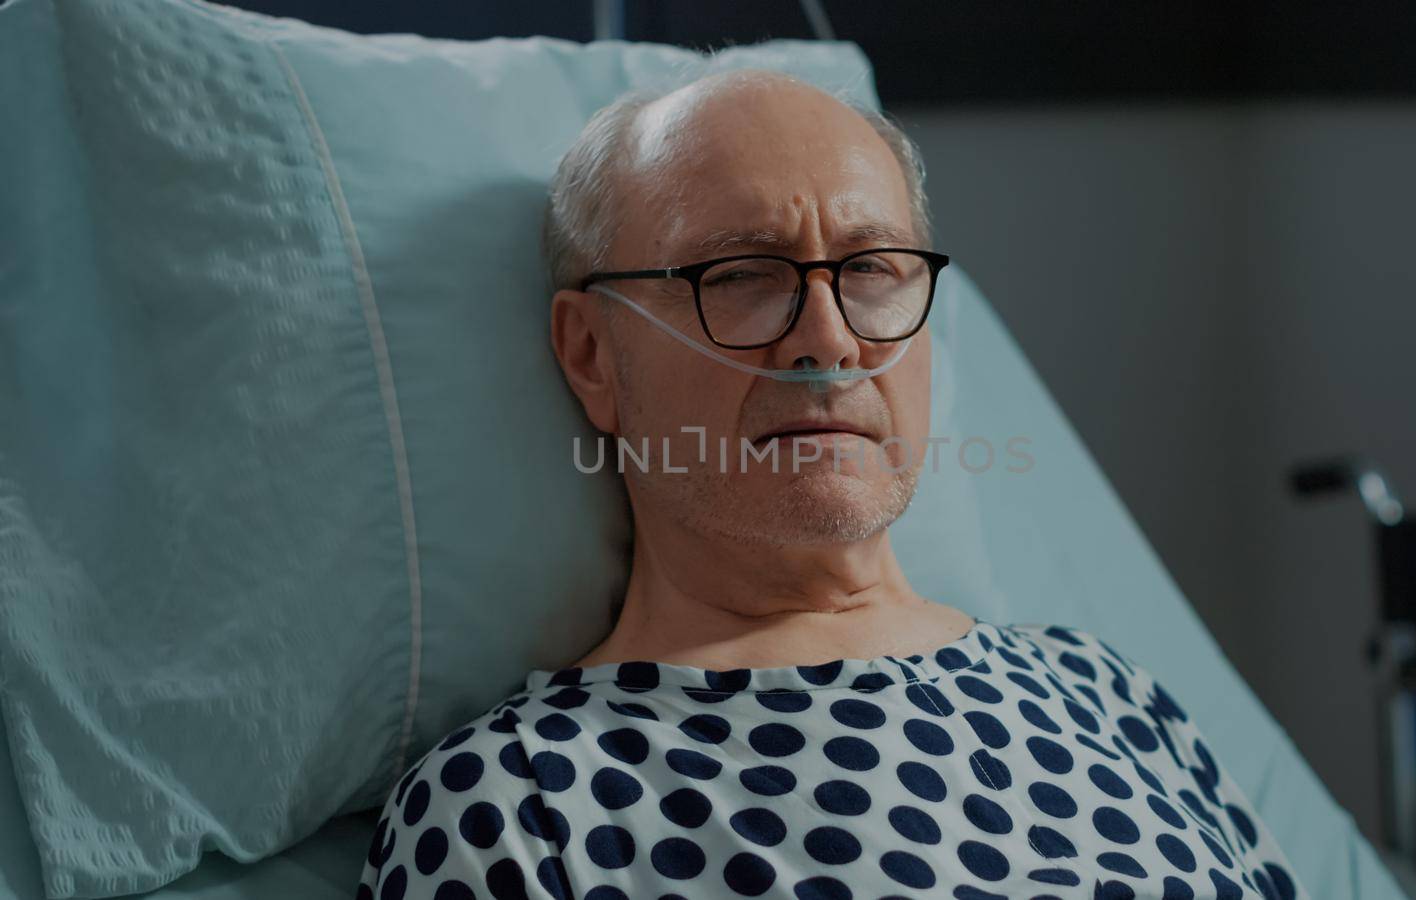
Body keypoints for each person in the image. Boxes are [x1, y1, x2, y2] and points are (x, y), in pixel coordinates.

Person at [358, 68, 1303, 900]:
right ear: (593, 353)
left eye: (874, 269)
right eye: (740, 274)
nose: (830, 338)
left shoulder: (1100, 694)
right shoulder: (518, 807)